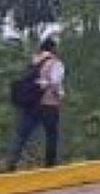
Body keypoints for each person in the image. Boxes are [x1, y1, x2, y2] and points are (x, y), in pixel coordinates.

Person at [7, 36, 65, 170]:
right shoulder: (55, 63)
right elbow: (55, 82)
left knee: (22, 135)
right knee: (51, 134)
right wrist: (60, 95)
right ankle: (50, 165)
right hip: (49, 104)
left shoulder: (34, 61)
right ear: (53, 48)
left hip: (31, 104)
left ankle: (11, 164)